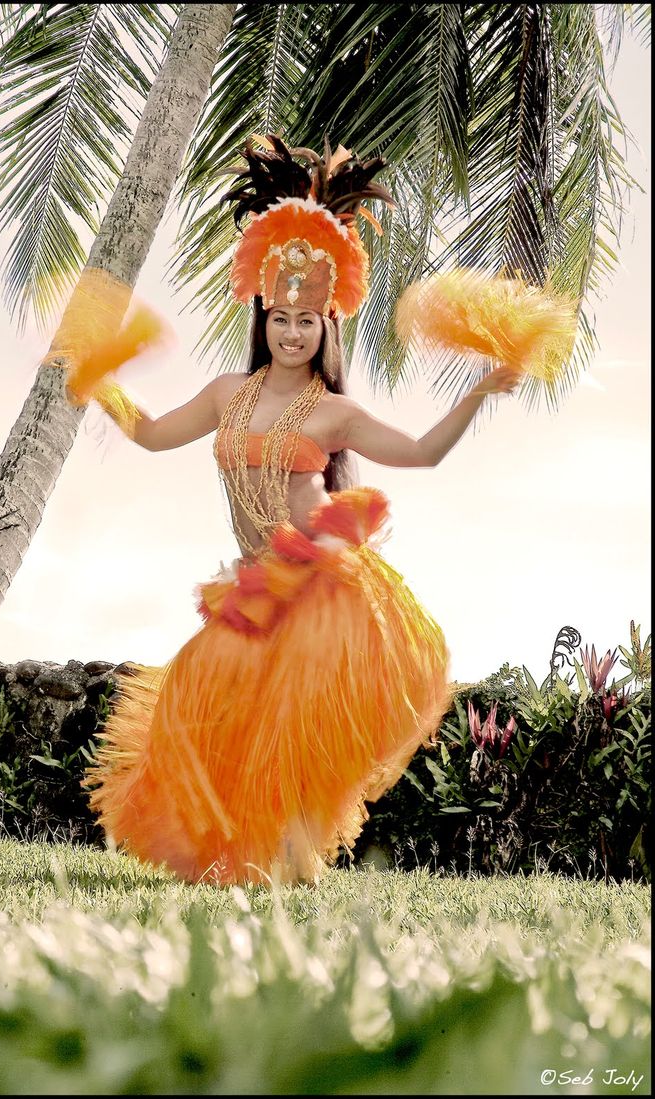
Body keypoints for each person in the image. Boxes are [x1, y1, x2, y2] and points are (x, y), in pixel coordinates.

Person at [74, 136, 521, 886]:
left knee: (302, 726)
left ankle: (292, 856)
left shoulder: (331, 411)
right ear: (262, 315)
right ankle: (261, 858)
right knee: (202, 704)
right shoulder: (226, 395)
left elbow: (420, 452)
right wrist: (100, 382)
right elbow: (152, 435)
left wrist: (475, 394)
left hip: (323, 583)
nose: (291, 331)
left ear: (326, 325)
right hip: (256, 585)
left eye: (306, 320)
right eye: (280, 317)